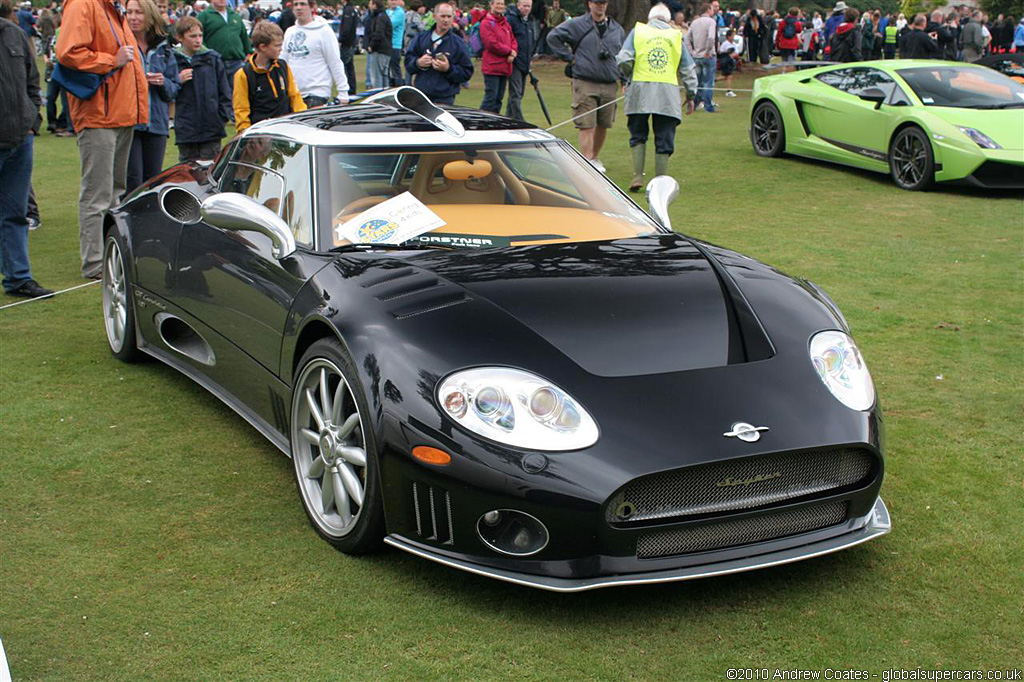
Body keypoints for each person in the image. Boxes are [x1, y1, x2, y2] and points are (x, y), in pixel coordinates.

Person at [57, 0, 149, 280]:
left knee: (114, 193)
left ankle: (109, 255)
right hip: (100, 115)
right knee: (98, 195)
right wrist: (112, 60)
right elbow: (68, 52)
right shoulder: (84, 4)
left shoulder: (113, 9)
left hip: (120, 115)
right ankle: (95, 262)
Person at [1, 0, 53, 299]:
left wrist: (33, 121)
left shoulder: (14, 34)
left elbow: (33, 82)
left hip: (19, 140)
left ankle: (19, 278)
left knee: (16, 214)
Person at [616, 3, 696, 192]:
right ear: (668, 19)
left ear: (650, 18)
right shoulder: (676, 35)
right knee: (664, 136)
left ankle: (637, 176)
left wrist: (629, 76)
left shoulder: (638, 31)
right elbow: (688, 69)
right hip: (667, 94)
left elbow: (623, 59)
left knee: (638, 134)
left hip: (639, 92)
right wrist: (691, 94)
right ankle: (660, 180)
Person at [547, 0, 625, 172]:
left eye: (603, 2)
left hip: (610, 82)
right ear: (590, 4)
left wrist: (624, 79)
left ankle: (594, 158)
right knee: (586, 123)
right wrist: (569, 57)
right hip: (585, 81)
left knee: (604, 123)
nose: (600, 6)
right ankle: (587, 160)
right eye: (597, 3)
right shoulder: (577, 24)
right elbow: (552, 37)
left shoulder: (617, 29)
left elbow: (622, 56)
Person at [126, 0, 180, 192]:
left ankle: (149, 221)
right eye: (129, 12)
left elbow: (174, 88)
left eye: (138, 12)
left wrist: (162, 82)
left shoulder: (163, 47)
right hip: (129, 122)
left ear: (150, 15)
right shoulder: (123, 44)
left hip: (156, 122)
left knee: (154, 181)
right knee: (132, 180)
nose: (133, 17)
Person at [173, 16, 232, 162]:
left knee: (209, 172)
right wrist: (177, 81)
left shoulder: (212, 59)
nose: (198, 40)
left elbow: (225, 92)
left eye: (200, 35)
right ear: (180, 37)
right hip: (186, 130)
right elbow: (167, 92)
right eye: (192, 36)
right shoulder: (173, 61)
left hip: (211, 128)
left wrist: (221, 118)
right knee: (187, 174)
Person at [233, 20, 306, 132]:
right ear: (263, 47)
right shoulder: (244, 74)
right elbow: (241, 109)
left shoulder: (283, 66)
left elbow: (295, 97)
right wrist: (246, 135)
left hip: (287, 130)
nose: (281, 49)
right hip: (260, 134)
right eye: (277, 45)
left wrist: (303, 120)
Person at [283, 0, 348, 108]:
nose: (299, 8)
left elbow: (335, 62)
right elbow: (283, 61)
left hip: (316, 95)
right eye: (296, 4)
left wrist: (343, 92)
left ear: (312, 7)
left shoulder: (324, 31)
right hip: (294, 94)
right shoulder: (289, 32)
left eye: (303, 4)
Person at [404, 2, 472, 104]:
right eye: (442, 16)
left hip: (445, 98)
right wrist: (418, 63)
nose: (446, 20)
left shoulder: (459, 43)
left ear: (453, 17)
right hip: (421, 96)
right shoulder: (421, 38)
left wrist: (448, 68)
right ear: (435, 17)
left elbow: (466, 72)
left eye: (449, 16)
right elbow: (408, 62)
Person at [198, 0, 251, 81]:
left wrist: (249, 52)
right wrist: (207, 54)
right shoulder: (203, 16)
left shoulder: (235, 16)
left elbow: (244, 36)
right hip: (215, 63)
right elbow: (199, 38)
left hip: (237, 62)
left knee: (237, 91)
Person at [479, 0, 516, 113]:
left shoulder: (505, 23)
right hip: (492, 67)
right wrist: (509, 51)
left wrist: (513, 51)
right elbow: (491, 43)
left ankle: (494, 124)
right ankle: (480, 123)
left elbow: (513, 39)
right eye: (497, 3)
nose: (500, 6)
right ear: (491, 5)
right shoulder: (486, 23)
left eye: (502, 4)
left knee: (499, 99)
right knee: (491, 98)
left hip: (504, 67)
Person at [685, 3, 717, 113]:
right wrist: (708, 51)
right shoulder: (711, 22)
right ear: (708, 10)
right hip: (708, 56)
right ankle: (708, 106)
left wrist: (692, 51)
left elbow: (686, 38)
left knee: (697, 81)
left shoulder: (694, 22)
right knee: (708, 81)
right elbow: (711, 37)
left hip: (697, 56)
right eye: (712, 9)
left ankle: (695, 103)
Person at [505, 0, 532, 121]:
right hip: (514, 62)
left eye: (529, 6)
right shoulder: (511, 20)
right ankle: (519, 120)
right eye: (524, 6)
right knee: (515, 93)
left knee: (519, 93)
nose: (526, 9)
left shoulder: (526, 21)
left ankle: (508, 119)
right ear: (518, 5)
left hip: (524, 62)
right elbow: (508, 39)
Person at [366, 0, 392, 88]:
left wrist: (371, 46)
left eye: (370, 4)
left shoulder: (380, 17)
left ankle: (378, 98)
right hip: (386, 50)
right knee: (384, 76)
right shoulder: (383, 16)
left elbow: (378, 33)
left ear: (374, 5)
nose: (369, 5)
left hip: (379, 50)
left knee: (376, 77)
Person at [337, 0, 357, 96]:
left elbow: (346, 28)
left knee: (344, 66)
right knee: (349, 67)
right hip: (350, 42)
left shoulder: (348, 10)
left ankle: (347, 89)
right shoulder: (351, 9)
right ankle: (352, 88)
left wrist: (341, 40)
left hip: (346, 43)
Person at [385, 0, 404, 86]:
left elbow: (389, 25)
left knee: (395, 67)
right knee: (387, 68)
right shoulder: (387, 11)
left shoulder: (400, 12)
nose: (393, 2)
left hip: (395, 44)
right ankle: (390, 86)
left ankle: (399, 87)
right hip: (387, 43)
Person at [718, 28, 737, 95]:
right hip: (725, 62)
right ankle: (728, 91)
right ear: (728, 36)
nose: (733, 37)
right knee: (729, 76)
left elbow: (736, 52)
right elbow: (721, 52)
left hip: (731, 62)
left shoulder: (734, 44)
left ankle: (714, 80)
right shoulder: (725, 44)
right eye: (732, 35)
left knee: (726, 76)